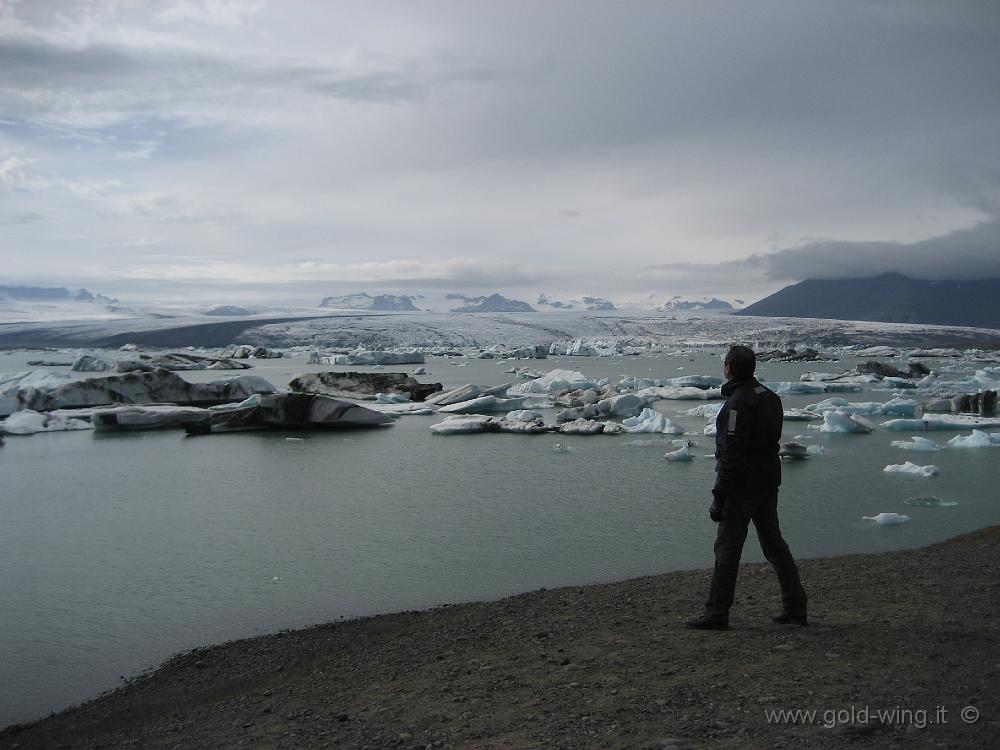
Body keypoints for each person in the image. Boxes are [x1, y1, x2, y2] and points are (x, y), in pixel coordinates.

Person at [686, 345, 808, 630]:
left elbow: (733, 453)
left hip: (742, 485)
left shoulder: (738, 404)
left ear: (729, 367)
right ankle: (795, 607)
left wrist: (719, 495)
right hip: (767, 480)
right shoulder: (770, 397)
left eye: (725, 363)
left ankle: (716, 614)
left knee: (727, 549)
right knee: (774, 544)